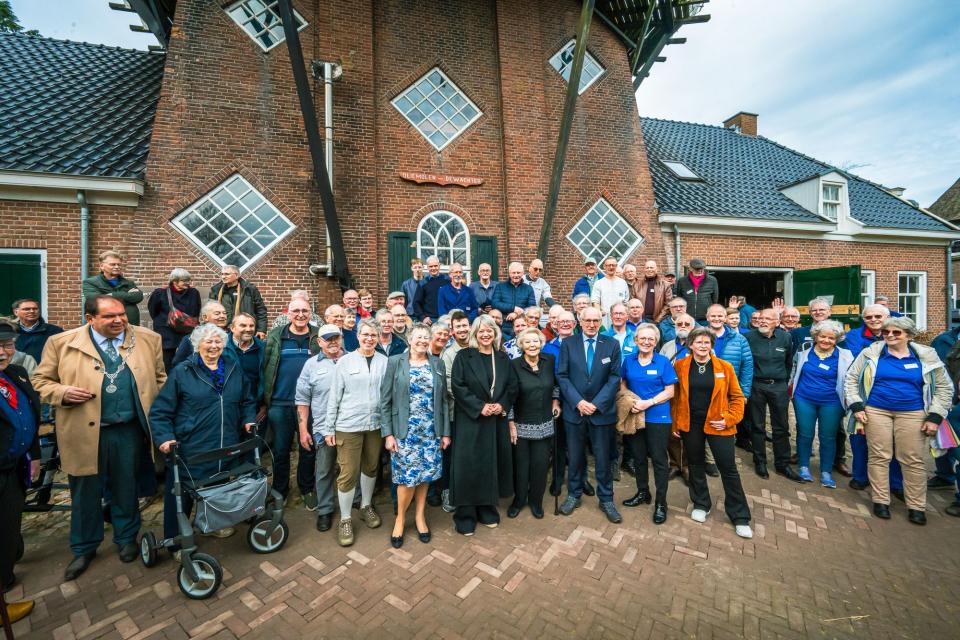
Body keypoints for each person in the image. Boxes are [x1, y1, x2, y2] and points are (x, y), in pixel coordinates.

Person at [32, 295, 165, 581]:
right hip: (82, 432)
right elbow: (40, 382)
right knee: (85, 491)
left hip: (129, 430)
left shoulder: (147, 339)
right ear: (90, 318)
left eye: (121, 314)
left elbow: (160, 378)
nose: (119, 320)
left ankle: (126, 537)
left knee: (126, 486)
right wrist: (63, 393)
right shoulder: (62, 343)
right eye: (109, 316)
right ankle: (84, 547)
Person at [150, 324, 256, 545]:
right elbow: (160, 412)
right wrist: (164, 438)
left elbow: (247, 399)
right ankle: (175, 539)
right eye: (208, 341)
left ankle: (212, 524)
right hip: (191, 445)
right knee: (181, 495)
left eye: (218, 341)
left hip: (226, 442)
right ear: (197, 344)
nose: (214, 346)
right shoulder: (183, 372)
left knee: (218, 488)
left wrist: (248, 418)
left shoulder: (232, 368)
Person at [844, 316, 952, 525]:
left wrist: (936, 415)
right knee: (879, 455)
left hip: (913, 412)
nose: (890, 336)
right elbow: (851, 378)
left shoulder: (926, 355)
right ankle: (880, 500)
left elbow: (944, 387)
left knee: (911, 458)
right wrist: (856, 405)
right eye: (886, 332)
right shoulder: (872, 352)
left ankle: (916, 505)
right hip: (876, 410)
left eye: (896, 333)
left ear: (909, 336)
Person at [672, 327, 752, 538]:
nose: (702, 346)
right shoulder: (680, 366)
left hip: (718, 424)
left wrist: (729, 419)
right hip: (691, 425)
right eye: (698, 342)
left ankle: (740, 516)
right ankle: (701, 503)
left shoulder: (724, 367)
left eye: (707, 343)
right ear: (690, 345)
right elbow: (676, 397)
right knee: (696, 464)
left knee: (728, 468)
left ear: (712, 346)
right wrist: (676, 423)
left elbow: (737, 397)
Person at [379, 324, 451, 547]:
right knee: (407, 479)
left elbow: (444, 401)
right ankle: (401, 518)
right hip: (404, 431)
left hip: (431, 431)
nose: (422, 340)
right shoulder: (395, 362)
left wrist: (445, 432)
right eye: (418, 337)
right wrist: (388, 433)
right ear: (410, 339)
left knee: (425, 476)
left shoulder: (436, 363)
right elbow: (385, 401)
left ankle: (420, 516)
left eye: (426, 337)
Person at [324, 319, 388, 546]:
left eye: (374, 335)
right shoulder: (345, 362)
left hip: (375, 425)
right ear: (358, 336)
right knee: (348, 472)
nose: (370, 338)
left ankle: (366, 506)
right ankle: (345, 518)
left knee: (371, 467)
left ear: (379, 338)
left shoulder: (384, 361)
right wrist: (328, 427)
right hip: (348, 425)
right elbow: (334, 396)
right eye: (366, 334)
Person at [449, 315, 515, 535]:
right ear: (474, 333)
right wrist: (480, 407)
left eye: (490, 330)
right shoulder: (464, 356)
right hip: (471, 420)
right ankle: (465, 514)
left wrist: (501, 405)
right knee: (468, 466)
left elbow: (512, 386)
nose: (486, 334)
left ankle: (487, 508)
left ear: (495, 333)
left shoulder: (503, 358)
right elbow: (458, 386)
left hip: (495, 421)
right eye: (481, 331)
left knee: (490, 464)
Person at [557, 307, 622, 523]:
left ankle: (606, 499)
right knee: (575, 457)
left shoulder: (611, 344)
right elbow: (563, 376)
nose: (592, 324)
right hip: (574, 412)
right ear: (580, 321)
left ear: (601, 321)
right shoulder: (568, 344)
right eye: (588, 320)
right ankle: (574, 495)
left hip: (601, 413)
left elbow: (614, 378)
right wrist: (579, 402)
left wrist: (595, 404)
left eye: (596, 320)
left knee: (603, 458)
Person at [0, 321, 42, 623]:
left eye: (8, 345)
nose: (3, 352)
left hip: (16, 466)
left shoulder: (16, 374)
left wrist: (35, 455)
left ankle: (4, 580)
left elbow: (29, 416)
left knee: (8, 529)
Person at [262, 298, 320, 508]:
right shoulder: (277, 336)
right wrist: (264, 399)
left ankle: (306, 488)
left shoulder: (316, 337)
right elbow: (266, 366)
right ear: (288, 313)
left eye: (305, 310)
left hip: (310, 404)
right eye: (296, 310)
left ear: (310, 313)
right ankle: (280, 490)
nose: (301, 314)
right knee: (280, 450)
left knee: (308, 448)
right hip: (280, 403)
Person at [619, 323, 677, 524]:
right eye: (642, 338)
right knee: (639, 457)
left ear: (656, 342)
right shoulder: (628, 361)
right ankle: (643, 492)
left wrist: (648, 403)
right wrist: (629, 399)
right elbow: (622, 382)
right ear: (635, 340)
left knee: (660, 460)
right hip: (635, 417)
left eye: (650, 339)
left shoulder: (663, 362)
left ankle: (661, 503)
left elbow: (670, 391)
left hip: (658, 418)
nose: (646, 342)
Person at [788, 320, 852, 488]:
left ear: (837, 339)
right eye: (822, 336)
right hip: (804, 398)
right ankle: (803, 467)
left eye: (831, 338)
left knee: (828, 436)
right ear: (816, 336)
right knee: (805, 433)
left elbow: (849, 380)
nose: (826, 340)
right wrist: (791, 392)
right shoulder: (803, 352)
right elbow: (794, 371)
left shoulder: (846, 356)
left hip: (832, 401)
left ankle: (826, 471)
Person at [295, 325, 345, 533]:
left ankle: (355, 503)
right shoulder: (310, 365)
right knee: (324, 470)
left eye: (336, 338)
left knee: (352, 468)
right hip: (324, 428)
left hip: (350, 426)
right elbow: (302, 399)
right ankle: (325, 509)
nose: (333, 342)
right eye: (328, 339)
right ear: (319, 342)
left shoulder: (352, 359)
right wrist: (303, 429)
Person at [507, 328, 560, 519]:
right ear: (521, 345)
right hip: (521, 426)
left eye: (535, 342)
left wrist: (555, 402)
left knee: (540, 466)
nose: (532, 345)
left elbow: (555, 385)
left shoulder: (549, 361)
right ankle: (519, 499)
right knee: (521, 466)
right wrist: (511, 423)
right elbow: (509, 396)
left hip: (545, 424)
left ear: (541, 343)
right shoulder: (513, 365)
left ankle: (536, 500)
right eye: (527, 342)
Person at [745, 308, 801, 482]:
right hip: (756, 385)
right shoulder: (748, 338)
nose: (762, 321)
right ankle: (760, 461)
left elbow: (789, 362)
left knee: (781, 427)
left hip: (778, 386)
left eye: (768, 318)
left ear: (777, 322)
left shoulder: (786, 338)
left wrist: (783, 382)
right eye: (761, 318)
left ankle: (782, 464)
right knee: (757, 425)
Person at [147, 268, 202, 371]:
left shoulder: (194, 293)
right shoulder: (160, 293)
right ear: (174, 281)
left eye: (188, 280)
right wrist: (165, 320)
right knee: (166, 361)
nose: (188, 283)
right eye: (184, 280)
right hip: (166, 332)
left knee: (186, 358)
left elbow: (196, 311)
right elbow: (153, 311)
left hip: (186, 331)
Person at [81, 250, 144, 326]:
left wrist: (112, 295)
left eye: (119, 264)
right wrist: (127, 296)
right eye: (112, 264)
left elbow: (138, 297)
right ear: (102, 266)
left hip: (130, 325)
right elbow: (96, 300)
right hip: (105, 327)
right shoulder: (90, 283)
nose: (117, 267)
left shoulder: (128, 283)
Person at [208, 265, 267, 338]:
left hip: (244, 329)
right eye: (222, 274)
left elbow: (261, 310)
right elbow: (209, 311)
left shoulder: (249, 289)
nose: (223, 277)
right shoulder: (216, 290)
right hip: (222, 330)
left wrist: (261, 329)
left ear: (236, 275)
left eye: (227, 274)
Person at [171, 301, 229, 366]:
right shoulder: (190, 339)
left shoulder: (231, 337)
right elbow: (177, 364)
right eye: (217, 313)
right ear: (205, 317)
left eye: (224, 313)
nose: (222, 316)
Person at [225, 312, 265, 404]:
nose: (248, 329)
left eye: (251, 326)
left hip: (254, 404)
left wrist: (264, 404)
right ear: (232, 328)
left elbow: (265, 379)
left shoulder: (263, 348)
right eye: (243, 325)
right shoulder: (221, 347)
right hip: (229, 404)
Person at [490, 262, 536, 338]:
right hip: (503, 326)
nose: (516, 275)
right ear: (509, 273)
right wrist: (513, 308)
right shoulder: (500, 287)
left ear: (522, 273)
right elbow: (495, 303)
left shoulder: (528, 289)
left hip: (521, 327)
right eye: (513, 273)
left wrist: (517, 314)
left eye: (518, 273)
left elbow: (532, 308)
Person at [12, 298, 63, 364]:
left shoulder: (55, 331)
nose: (32, 311)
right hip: (15, 371)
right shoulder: (10, 331)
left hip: (43, 371)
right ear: (16, 312)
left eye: (35, 309)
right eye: (26, 309)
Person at [590, 256, 630, 327]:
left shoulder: (623, 283)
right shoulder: (598, 283)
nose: (611, 267)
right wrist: (599, 314)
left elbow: (626, 302)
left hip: (620, 318)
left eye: (613, 265)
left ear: (616, 266)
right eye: (608, 265)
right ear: (604, 267)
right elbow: (595, 302)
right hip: (604, 319)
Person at [675, 258, 718, 323]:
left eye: (702, 268)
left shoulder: (712, 280)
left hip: (705, 319)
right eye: (697, 269)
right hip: (687, 318)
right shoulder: (682, 281)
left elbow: (715, 299)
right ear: (690, 268)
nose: (700, 271)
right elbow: (679, 299)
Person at [413, 256, 451, 324]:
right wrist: (423, 317)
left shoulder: (447, 281)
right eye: (431, 266)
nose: (433, 268)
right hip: (430, 321)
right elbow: (416, 303)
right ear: (427, 267)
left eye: (435, 266)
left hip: (446, 319)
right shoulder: (423, 283)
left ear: (439, 266)